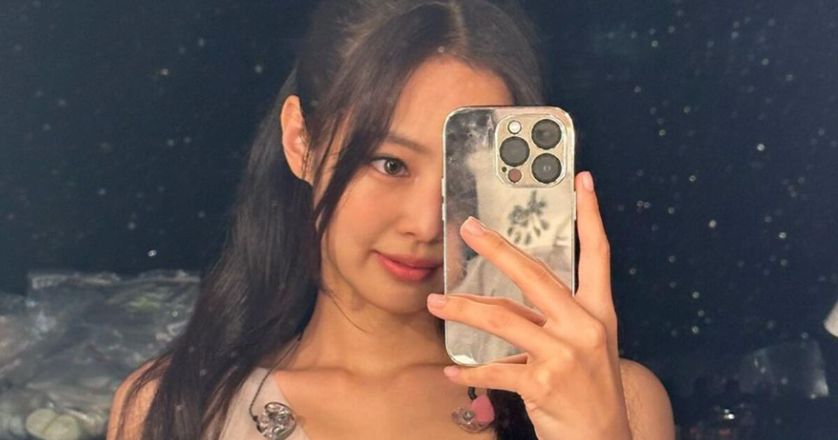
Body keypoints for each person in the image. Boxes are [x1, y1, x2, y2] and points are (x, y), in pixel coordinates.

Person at [106, 0, 675, 439]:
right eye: (390, 164)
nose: (426, 224)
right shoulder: (176, 408)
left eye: (463, 181)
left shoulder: (619, 400)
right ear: (301, 141)